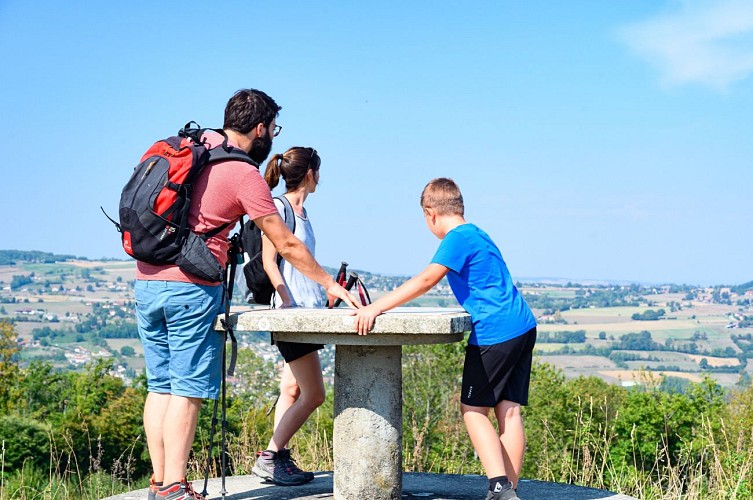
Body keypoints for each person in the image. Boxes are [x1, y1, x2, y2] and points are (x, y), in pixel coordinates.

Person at [135, 89, 357, 500]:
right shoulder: (242, 172)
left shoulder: (193, 148)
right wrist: (330, 284)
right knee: (186, 390)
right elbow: (285, 243)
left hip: (146, 279)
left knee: (160, 387)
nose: (272, 135)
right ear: (260, 128)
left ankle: (159, 481)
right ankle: (175, 488)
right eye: (272, 128)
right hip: (191, 287)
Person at [351, 178, 537, 500]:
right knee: (508, 411)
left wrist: (376, 307)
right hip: (522, 325)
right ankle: (510, 491)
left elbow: (426, 279)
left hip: (494, 332)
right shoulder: (479, 233)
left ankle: (499, 488)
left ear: (430, 213)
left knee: (473, 409)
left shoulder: (456, 238)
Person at [251, 146, 326, 486]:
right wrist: (286, 301)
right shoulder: (278, 209)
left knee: (292, 388)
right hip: (293, 316)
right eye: (319, 171)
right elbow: (269, 261)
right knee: (315, 394)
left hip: (307, 312)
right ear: (310, 173)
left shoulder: (302, 212)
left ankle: (279, 460)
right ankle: (270, 456)